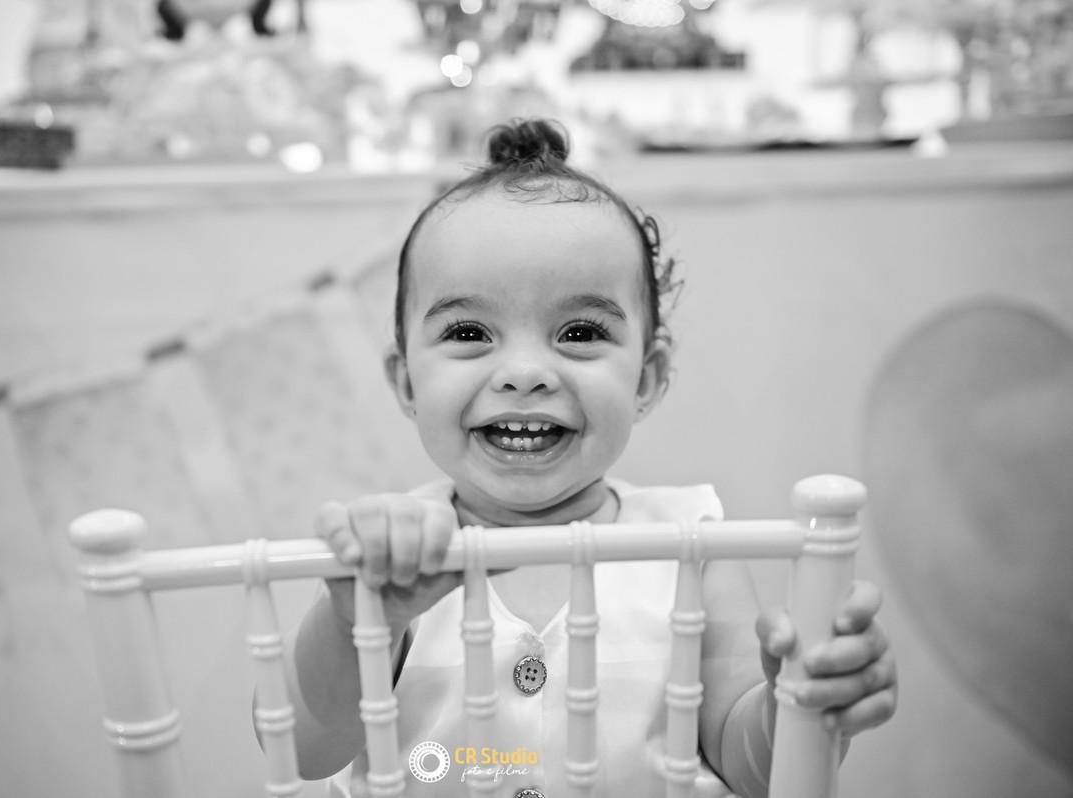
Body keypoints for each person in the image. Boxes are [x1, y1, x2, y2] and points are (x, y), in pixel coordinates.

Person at [281, 119, 897, 797]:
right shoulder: (390, 550)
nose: (524, 373)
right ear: (406, 382)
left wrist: (799, 708)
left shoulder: (691, 545)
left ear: (646, 378)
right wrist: (357, 621)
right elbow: (303, 750)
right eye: (469, 331)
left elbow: (748, 766)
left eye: (578, 332)